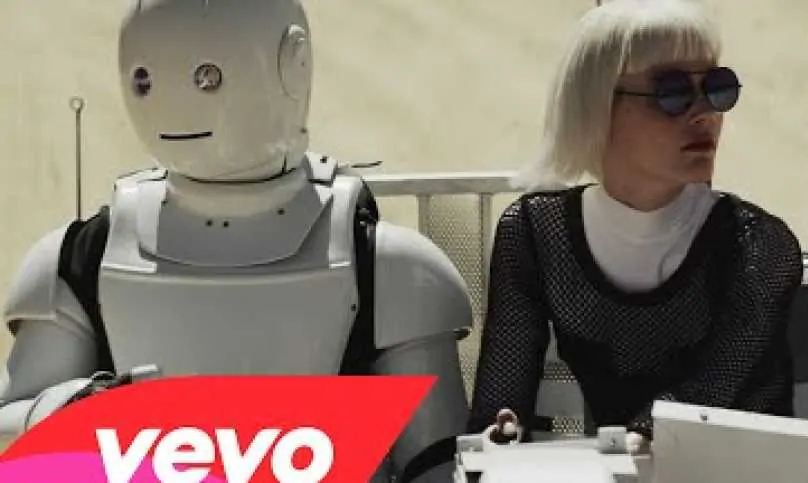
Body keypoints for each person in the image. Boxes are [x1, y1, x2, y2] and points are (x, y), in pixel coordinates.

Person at [0, 0, 472, 481]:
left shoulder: (392, 269)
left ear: (293, 64)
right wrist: (70, 407)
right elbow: (10, 443)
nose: (175, 105)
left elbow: (436, 462)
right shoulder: (83, 258)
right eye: (145, 80)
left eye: (206, 78)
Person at [467, 0, 803, 448]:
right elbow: (501, 399)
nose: (705, 112)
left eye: (717, 88)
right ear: (596, 102)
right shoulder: (533, 232)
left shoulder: (759, 243)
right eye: (672, 92)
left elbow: (708, 395)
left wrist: (633, 441)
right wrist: (498, 434)